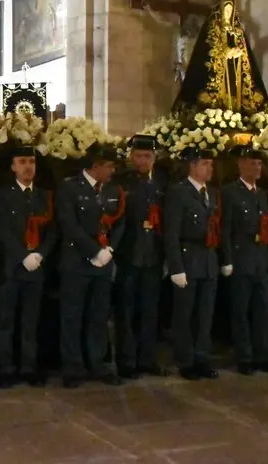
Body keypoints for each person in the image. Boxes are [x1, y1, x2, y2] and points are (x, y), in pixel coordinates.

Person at [57, 143, 125, 388]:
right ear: (94, 166)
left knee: (99, 315)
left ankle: (98, 363)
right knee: (73, 316)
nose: (112, 171)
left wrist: (109, 251)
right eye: (108, 166)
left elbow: (119, 221)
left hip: (104, 262)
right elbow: (69, 224)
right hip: (77, 261)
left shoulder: (112, 189)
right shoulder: (69, 187)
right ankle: (73, 367)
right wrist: (93, 251)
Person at [0, 145, 55, 387]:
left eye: (31, 161)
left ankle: (28, 366)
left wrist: (40, 255)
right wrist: (22, 255)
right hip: (12, 267)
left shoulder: (44, 196)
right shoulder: (4, 194)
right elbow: (3, 230)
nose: (28, 166)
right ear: (13, 167)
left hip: (36, 267)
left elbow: (52, 230)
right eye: (22, 162)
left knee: (31, 321)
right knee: (6, 320)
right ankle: (6, 367)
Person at [113, 135, 168, 379]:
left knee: (150, 309)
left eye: (147, 156)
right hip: (129, 254)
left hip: (153, 255)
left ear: (154, 158)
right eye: (138, 156)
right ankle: (127, 360)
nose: (142, 161)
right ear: (131, 157)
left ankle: (147, 358)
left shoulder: (162, 182)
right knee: (126, 310)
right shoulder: (121, 182)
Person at [164, 147, 220, 381]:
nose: (210, 168)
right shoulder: (179, 192)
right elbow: (172, 232)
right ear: (193, 166)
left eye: (211, 164)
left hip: (207, 259)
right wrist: (176, 266)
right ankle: (186, 359)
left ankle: (202, 357)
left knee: (205, 314)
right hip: (188, 257)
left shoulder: (212, 193)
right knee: (185, 314)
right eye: (205, 164)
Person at [219, 145, 268, 375]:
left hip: (260, 258)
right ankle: (245, 356)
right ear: (241, 164)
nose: (257, 167)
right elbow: (226, 229)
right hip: (241, 258)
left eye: (259, 163)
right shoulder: (230, 192)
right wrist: (227, 259)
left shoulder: (260, 194)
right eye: (252, 163)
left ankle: (261, 354)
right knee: (241, 310)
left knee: (263, 309)